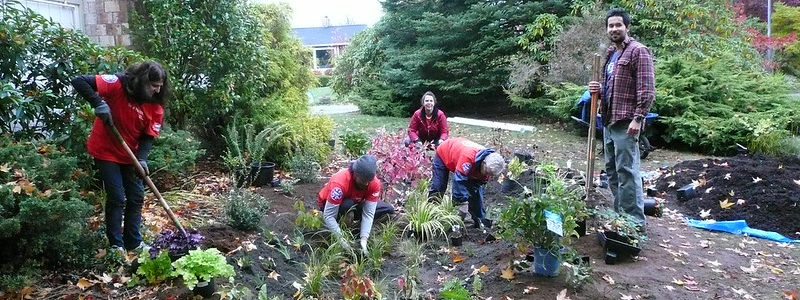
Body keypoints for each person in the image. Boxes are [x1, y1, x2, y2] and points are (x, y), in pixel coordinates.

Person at [71, 60, 170, 255]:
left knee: (136, 196)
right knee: (117, 197)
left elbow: (148, 137)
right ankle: (116, 246)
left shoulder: (155, 106)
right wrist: (98, 103)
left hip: (130, 154)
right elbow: (79, 81)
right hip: (105, 150)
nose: (157, 91)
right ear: (142, 81)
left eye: (160, 86)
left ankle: (133, 242)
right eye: (153, 86)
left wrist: (141, 159)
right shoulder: (117, 83)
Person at [587, 8, 655, 229]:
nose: (614, 29)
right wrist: (597, 88)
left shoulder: (638, 51)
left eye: (618, 25)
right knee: (613, 171)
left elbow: (646, 89)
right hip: (609, 121)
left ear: (627, 27)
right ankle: (620, 216)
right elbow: (611, 86)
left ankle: (634, 223)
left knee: (627, 171)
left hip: (626, 122)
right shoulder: (611, 54)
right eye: (610, 25)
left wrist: (638, 118)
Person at [317, 155, 395, 254]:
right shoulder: (340, 183)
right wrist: (341, 239)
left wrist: (364, 240)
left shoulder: (374, 183)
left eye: (368, 181)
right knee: (348, 205)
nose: (366, 184)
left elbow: (369, 214)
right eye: (363, 181)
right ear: (355, 174)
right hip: (332, 207)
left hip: (355, 202)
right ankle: (343, 230)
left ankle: (357, 233)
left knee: (387, 209)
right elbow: (328, 216)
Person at [429, 138, 506, 228]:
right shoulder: (468, 158)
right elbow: (459, 181)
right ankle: (431, 214)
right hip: (445, 152)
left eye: (490, 174)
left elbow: (475, 190)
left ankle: (479, 220)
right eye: (486, 172)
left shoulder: (488, 166)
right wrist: (462, 203)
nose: (487, 176)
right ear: (483, 163)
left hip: (464, 160)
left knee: (476, 194)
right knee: (439, 186)